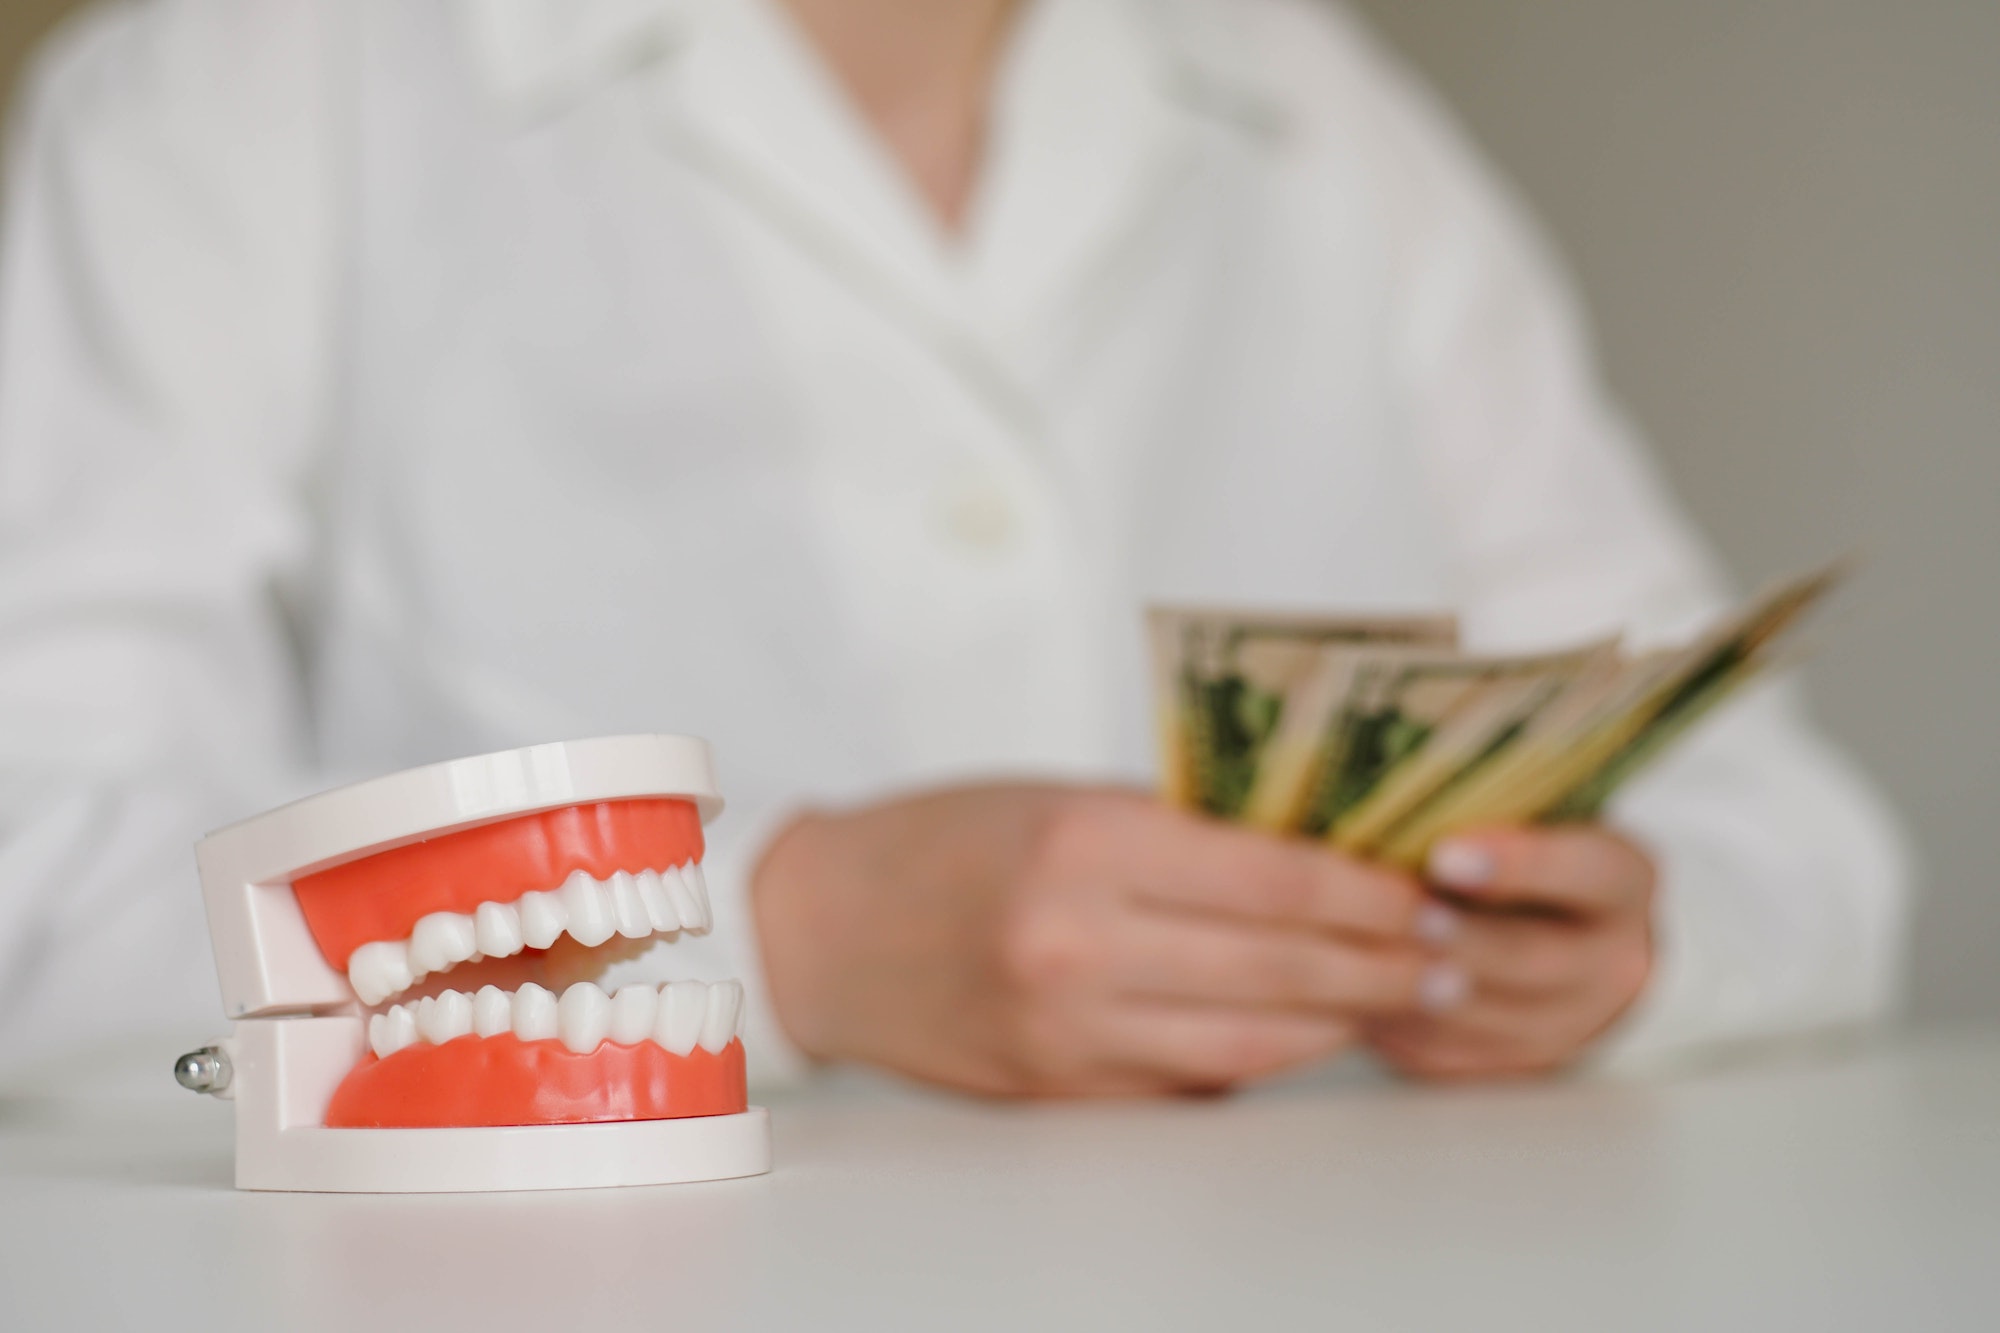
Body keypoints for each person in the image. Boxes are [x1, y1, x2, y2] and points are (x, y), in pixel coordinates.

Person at [0, 0, 1909, 1097]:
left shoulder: (1329, 117)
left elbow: (1798, 843)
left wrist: (1628, 950)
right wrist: (778, 936)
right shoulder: (231, 90)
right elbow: (37, 884)